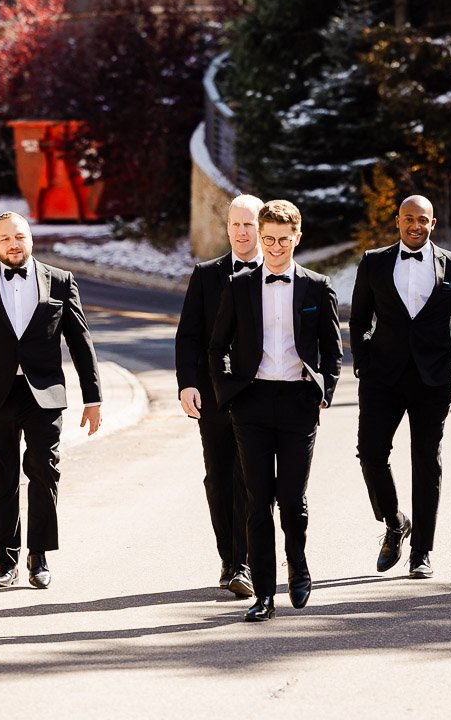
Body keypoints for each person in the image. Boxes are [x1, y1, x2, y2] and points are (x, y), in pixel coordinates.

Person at [0, 212, 102, 589]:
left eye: (19, 236)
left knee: (44, 471)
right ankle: (5, 561)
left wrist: (92, 397)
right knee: (1, 476)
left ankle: (39, 556)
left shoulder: (61, 281)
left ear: (30, 238)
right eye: (4, 239)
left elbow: (80, 342)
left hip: (43, 394)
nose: (13, 244)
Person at [208, 200, 342, 621]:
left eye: (283, 240)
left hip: (299, 402)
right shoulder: (241, 284)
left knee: (292, 499)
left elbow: (333, 350)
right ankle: (264, 594)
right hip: (252, 403)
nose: (275, 247)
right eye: (267, 240)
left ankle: (297, 564)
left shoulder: (317, 287)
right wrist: (229, 392)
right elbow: (217, 347)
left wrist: (324, 392)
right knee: (257, 500)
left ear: (297, 237)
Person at [350, 195, 451, 578]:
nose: (415, 225)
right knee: (370, 453)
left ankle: (422, 551)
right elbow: (358, 319)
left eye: (422, 219)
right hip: (382, 378)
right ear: (398, 221)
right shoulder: (374, 262)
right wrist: (363, 364)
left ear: (433, 223)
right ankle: (394, 521)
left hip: (434, 379)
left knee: (425, 461)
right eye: (408, 219)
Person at [175, 194, 265, 599]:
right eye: (236, 224)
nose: (242, 232)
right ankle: (230, 557)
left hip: (264, 394)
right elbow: (189, 336)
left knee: (251, 479)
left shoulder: (278, 273)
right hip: (214, 396)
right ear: (227, 228)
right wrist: (188, 384)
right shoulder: (207, 275)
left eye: (249, 224)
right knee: (219, 477)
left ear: (262, 227)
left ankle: (244, 561)